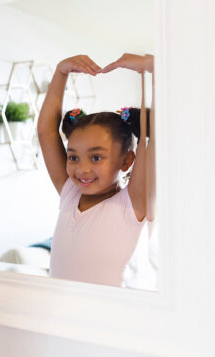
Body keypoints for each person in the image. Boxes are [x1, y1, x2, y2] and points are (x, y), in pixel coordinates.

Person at [37, 53, 154, 287]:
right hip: (63, 316)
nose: (82, 168)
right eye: (73, 157)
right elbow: (46, 133)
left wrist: (153, 69)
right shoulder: (70, 193)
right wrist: (61, 72)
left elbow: (158, 134)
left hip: (108, 318)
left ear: (127, 160)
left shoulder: (132, 204)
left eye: (96, 157)